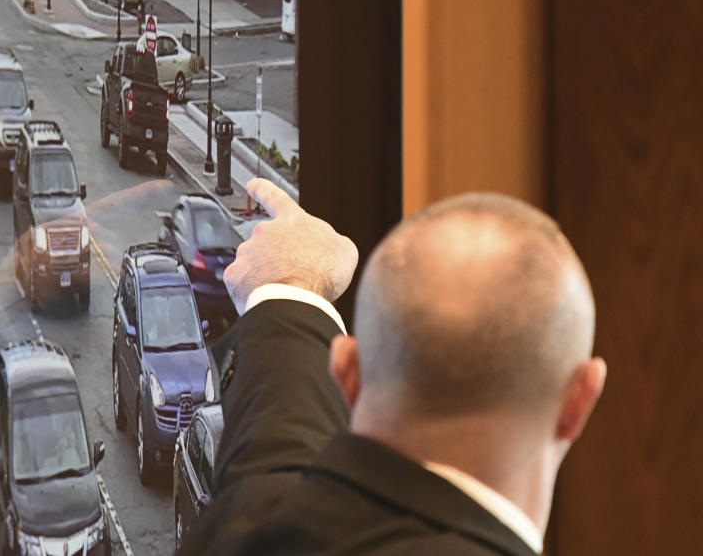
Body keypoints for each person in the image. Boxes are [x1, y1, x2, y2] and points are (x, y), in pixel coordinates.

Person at [183, 178, 607, 555]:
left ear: (347, 375)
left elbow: (267, 476)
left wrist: (285, 288)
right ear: (580, 401)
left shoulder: (247, 535)